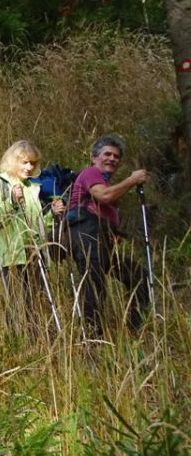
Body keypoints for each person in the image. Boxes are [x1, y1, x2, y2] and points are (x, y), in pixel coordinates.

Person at [66, 134, 150, 334]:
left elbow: (107, 201)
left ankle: (134, 329)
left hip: (102, 241)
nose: (112, 158)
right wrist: (131, 180)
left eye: (116, 156)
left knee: (138, 276)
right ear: (95, 158)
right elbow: (103, 197)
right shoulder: (90, 173)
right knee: (95, 284)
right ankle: (93, 338)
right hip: (85, 235)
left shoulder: (108, 185)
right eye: (107, 154)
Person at [0, 140, 66, 317]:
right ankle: (16, 341)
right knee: (16, 308)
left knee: (34, 307)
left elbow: (37, 225)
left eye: (32, 163)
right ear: (14, 160)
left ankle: (36, 342)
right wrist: (11, 201)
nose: (29, 167)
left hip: (34, 255)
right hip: (12, 257)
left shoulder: (31, 188)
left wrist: (51, 213)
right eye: (24, 162)